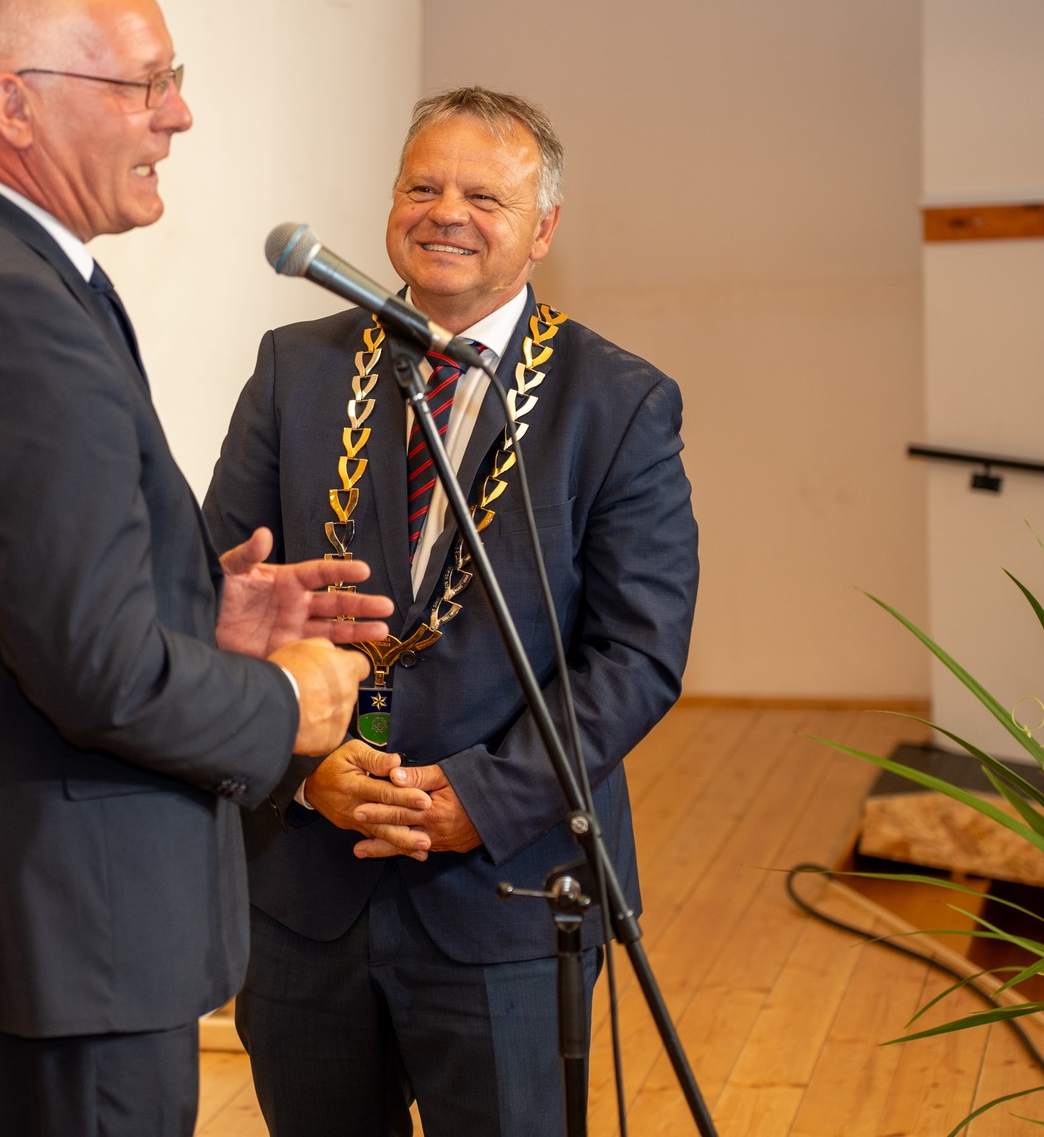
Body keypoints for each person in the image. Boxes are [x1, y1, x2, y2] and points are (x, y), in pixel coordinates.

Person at [0, 0, 389, 1137]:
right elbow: (94, 673)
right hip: (56, 950)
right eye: (143, 84)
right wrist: (287, 699)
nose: (176, 114)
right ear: (14, 105)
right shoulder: (7, 305)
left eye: (171, 80)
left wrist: (195, 611)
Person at [204, 87, 699, 1137]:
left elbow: (636, 653)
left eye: (484, 195)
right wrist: (301, 768)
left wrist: (481, 795)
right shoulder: (294, 370)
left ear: (543, 229)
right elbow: (218, 595)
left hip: (507, 891)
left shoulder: (615, 402)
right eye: (421, 186)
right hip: (305, 883)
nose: (446, 213)